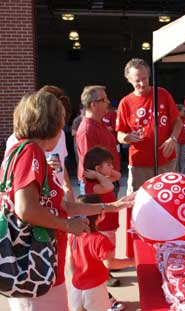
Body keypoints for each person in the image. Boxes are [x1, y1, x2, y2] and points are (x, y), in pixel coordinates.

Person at [2, 90, 133, 310]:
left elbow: (60, 204)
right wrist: (68, 225)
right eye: (62, 121)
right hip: (35, 270)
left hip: (35, 268)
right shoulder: (31, 151)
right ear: (50, 123)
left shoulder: (19, 150)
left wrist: (111, 206)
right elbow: (27, 209)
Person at [116, 58, 182, 257]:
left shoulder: (162, 94)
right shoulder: (125, 103)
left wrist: (173, 138)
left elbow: (177, 121)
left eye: (145, 78)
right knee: (138, 203)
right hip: (139, 163)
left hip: (165, 159)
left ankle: (170, 241)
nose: (142, 84)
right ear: (128, 79)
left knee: (168, 201)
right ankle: (137, 247)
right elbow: (119, 134)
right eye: (137, 80)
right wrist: (126, 137)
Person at [5, 85, 75, 202]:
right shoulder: (21, 144)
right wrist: (42, 167)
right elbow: (26, 208)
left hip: (54, 200)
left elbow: (61, 164)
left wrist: (68, 189)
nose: (61, 125)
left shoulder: (60, 133)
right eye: (58, 116)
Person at [69, 194, 134, 311]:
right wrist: (131, 261)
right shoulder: (101, 239)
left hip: (76, 286)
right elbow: (110, 264)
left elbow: (71, 260)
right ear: (102, 215)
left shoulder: (74, 235)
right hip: (95, 288)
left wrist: (77, 277)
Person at [83, 146, 123, 289]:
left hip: (110, 222)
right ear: (97, 168)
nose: (112, 167)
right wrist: (98, 175)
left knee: (111, 247)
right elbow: (109, 187)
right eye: (109, 165)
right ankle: (105, 272)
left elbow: (117, 176)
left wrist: (106, 171)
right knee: (104, 252)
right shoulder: (92, 186)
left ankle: (111, 264)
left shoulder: (102, 179)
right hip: (102, 225)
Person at [76, 85, 120, 196]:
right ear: (93, 104)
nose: (108, 102)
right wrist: (115, 175)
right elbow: (90, 167)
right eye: (104, 99)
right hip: (98, 187)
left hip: (107, 183)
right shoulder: (88, 130)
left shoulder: (98, 124)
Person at [175, 104, 185, 173]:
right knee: (176, 158)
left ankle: (183, 172)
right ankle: (177, 172)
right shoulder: (175, 119)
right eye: (184, 111)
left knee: (183, 158)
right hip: (177, 142)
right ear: (179, 111)